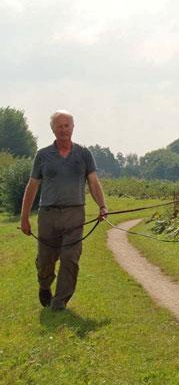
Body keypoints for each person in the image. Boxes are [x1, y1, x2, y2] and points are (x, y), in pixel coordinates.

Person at [19, 110, 108, 311]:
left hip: (75, 214)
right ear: (53, 129)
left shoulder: (84, 154)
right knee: (45, 260)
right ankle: (44, 285)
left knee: (70, 258)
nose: (63, 129)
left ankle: (59, 303)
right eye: (59, 126)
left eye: (67, 125)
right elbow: (32, 187)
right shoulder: (42, 155)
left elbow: (93, 182)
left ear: (73, 127)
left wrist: (102, 206)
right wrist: (24, 218)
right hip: (48, 215)